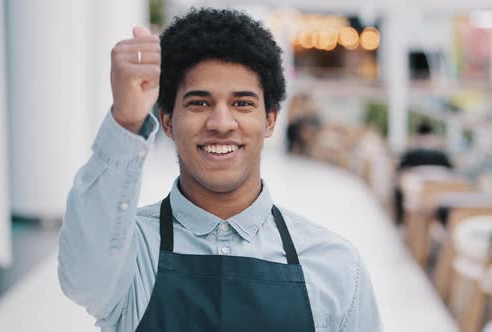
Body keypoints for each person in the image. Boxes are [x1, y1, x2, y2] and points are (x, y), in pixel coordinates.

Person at [58, 8, 382, 332]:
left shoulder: (335, 267)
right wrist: (126, 122)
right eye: (199, 103)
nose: (221, 123)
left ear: (269, 121)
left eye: (242, 103)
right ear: (168, 122)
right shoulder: (131, 253)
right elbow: (83, 279)